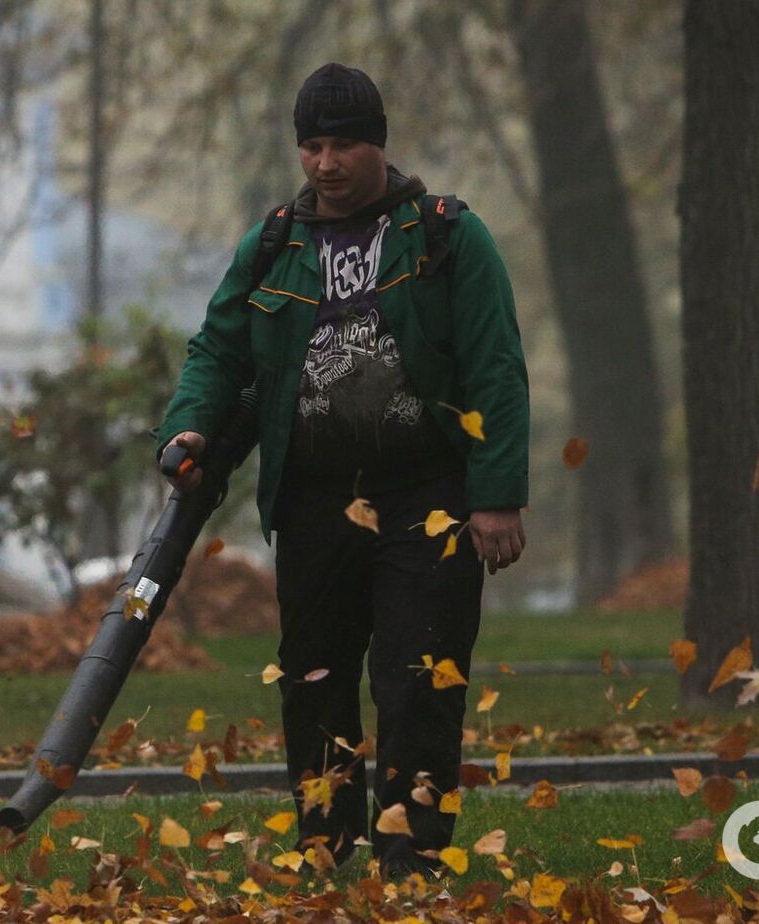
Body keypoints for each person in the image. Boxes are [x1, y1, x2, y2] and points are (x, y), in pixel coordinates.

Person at [153, 62, 529, 878]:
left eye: (344, 144)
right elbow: (217, 352)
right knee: (314, 680)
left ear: (378, 145)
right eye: (312, 146)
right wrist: (186, 429)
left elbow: (496, 366)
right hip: (315, 498)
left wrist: (495, 497)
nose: (326, 163)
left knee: (419, 680)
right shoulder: (275, 243)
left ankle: (412, 859)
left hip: (426, 494)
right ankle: (325, 848)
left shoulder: (446, 234)